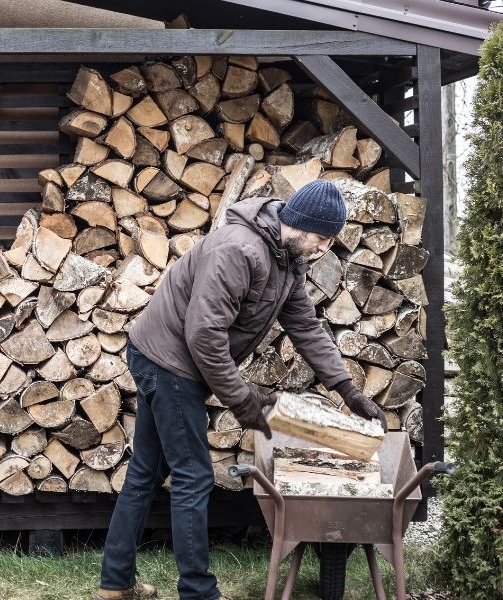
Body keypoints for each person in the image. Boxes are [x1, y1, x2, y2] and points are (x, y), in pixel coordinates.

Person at [94, 180, 387, 600]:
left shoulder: (288, 259)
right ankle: (198, 592)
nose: (325, 248)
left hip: (172, 357)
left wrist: (348, 390)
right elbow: (204, 335)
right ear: (300, 224)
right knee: (193, 476)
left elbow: (306, 327)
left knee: (147, 471)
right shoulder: (239, 250)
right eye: (322, 237)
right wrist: (242, 400)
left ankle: (115, 584)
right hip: (168, 361)